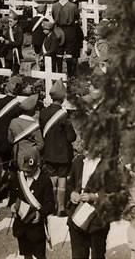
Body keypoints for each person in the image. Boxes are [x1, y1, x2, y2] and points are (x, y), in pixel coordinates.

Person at [67, 149, 119, 259]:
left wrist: (94, 197)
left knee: (97, 255)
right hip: (77, 217)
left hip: (98, 219)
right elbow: (69, 184)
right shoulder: (78, 162)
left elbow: (114, 194)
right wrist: (72, 193)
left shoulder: (108, 166)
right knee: (78, 255)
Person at [10, 146, 55, 259]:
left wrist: (41, 214)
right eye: (24, 170)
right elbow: (13, 195)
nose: (25, 174)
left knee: (40, 255)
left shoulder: (45, 180)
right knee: (26, 254)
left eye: (29, 171)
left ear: (37, 166)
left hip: (36, 227)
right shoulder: (19, 177)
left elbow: (50, 204)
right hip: (21, 226)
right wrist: (12, 205)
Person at [39, 79, 76, 216]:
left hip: (48, 152)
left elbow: (43, 131)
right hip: (63, 154)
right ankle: (60, 208)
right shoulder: (64, 115)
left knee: (52, 179)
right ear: (63, 97)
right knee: (62, 180)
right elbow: (71, 137)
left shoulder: (43, 113)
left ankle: (51, 205)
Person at [50, 0, 82, 78]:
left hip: (58, 29)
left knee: (59, 52)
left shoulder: (54, 6)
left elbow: (53, 16)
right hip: (70, 30)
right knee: (69, 52)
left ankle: (59, 73)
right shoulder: (72, 6)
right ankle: (70, 74)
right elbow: (77, 17)